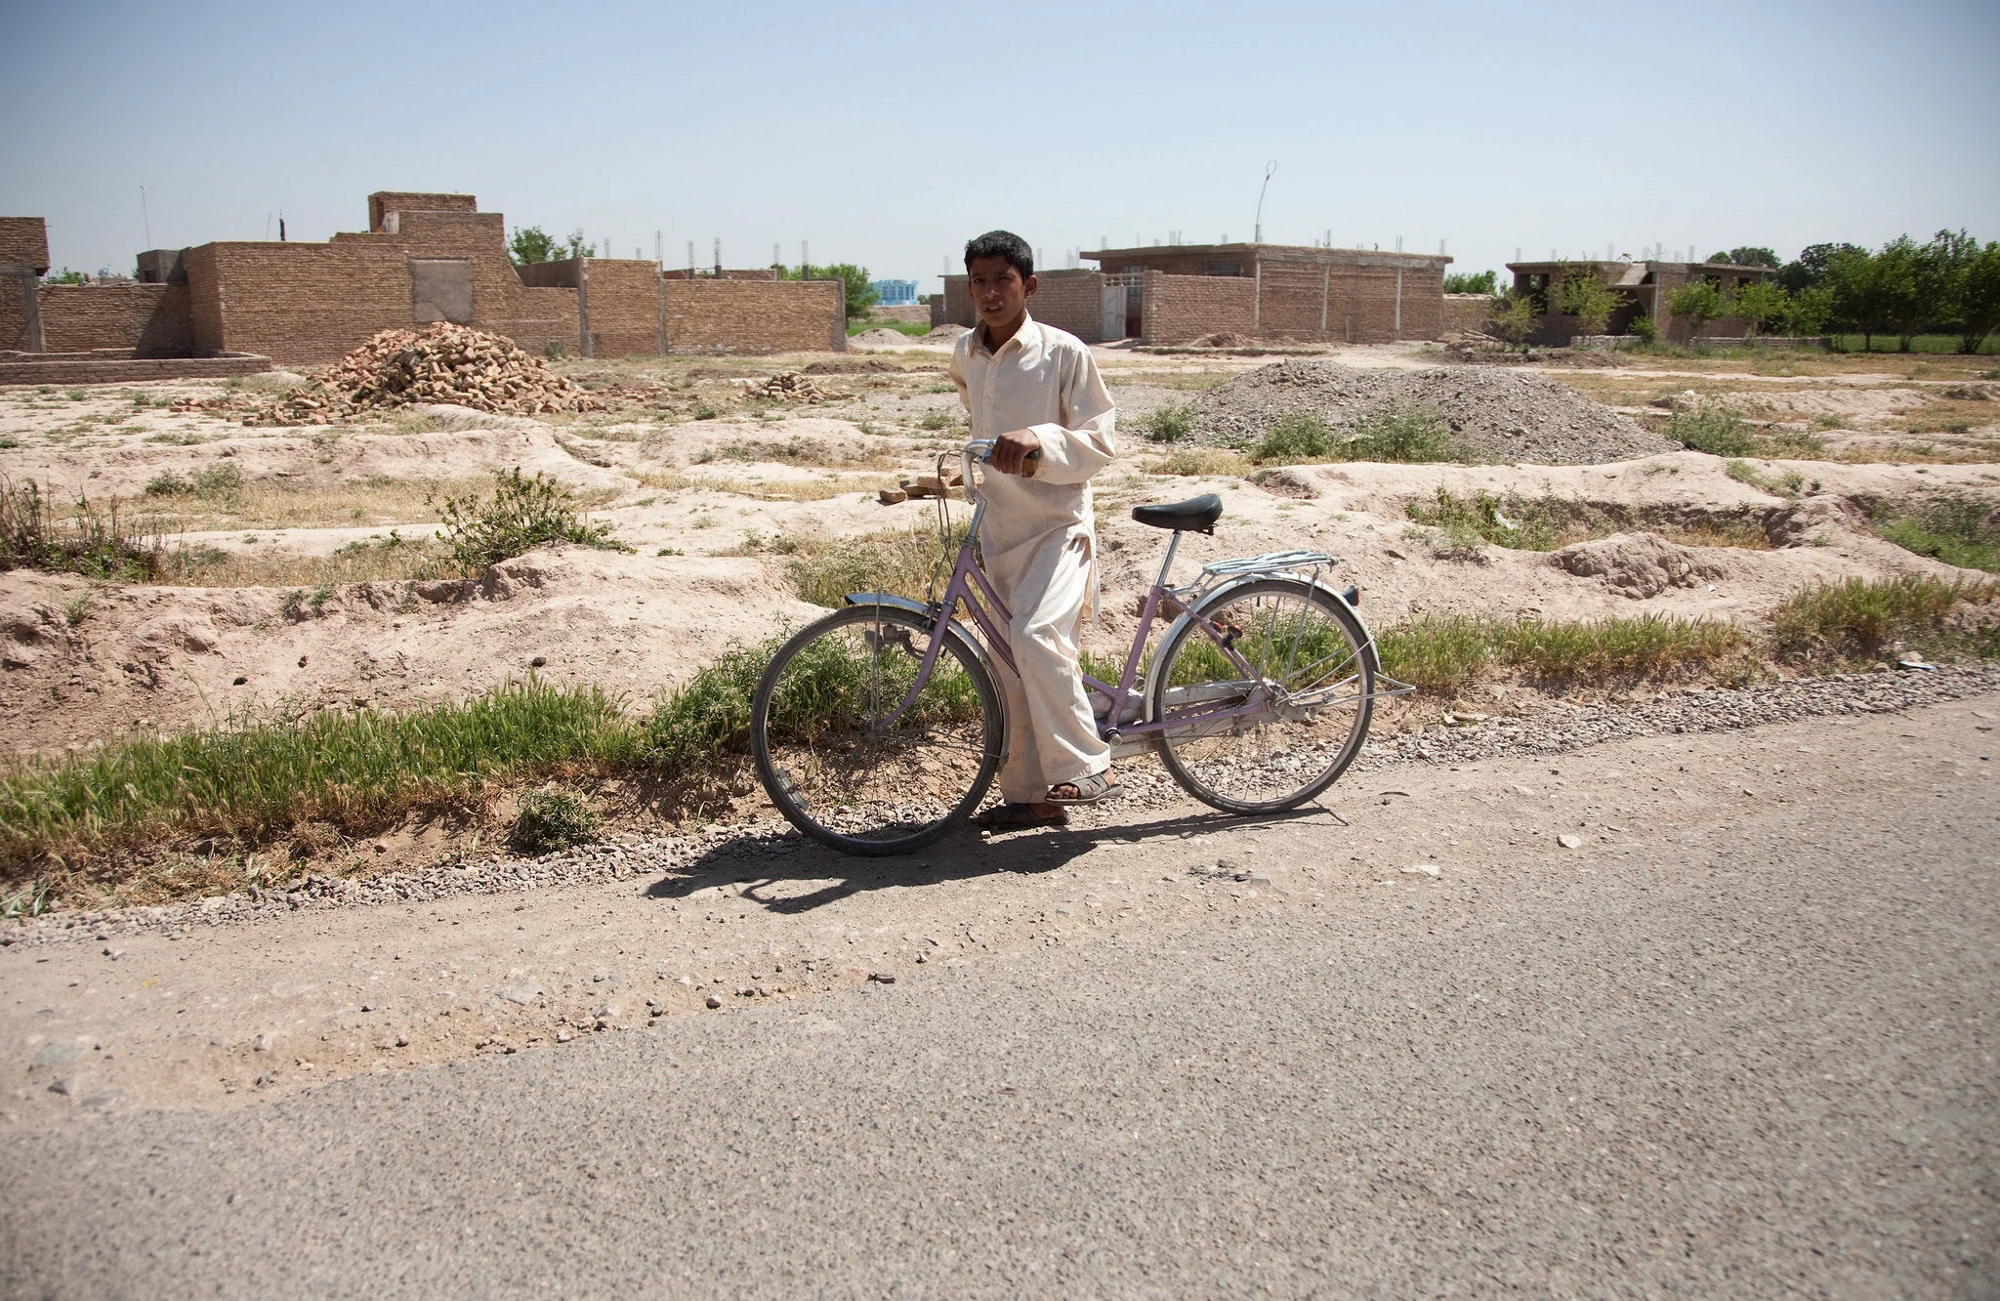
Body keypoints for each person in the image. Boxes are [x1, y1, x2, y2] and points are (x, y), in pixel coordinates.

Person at [948, 230, 1121, 831]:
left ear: (1029, 285)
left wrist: (1040, 441)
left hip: (1055, 527)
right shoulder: (965, 354)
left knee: (1039, 638)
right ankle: (1026, 794)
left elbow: (1100, 442)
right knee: (1006, 660)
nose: (990, 293)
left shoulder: (1065, 353)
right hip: (998, 527)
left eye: (1003, 280)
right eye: (979, 281)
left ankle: (1089, 761)